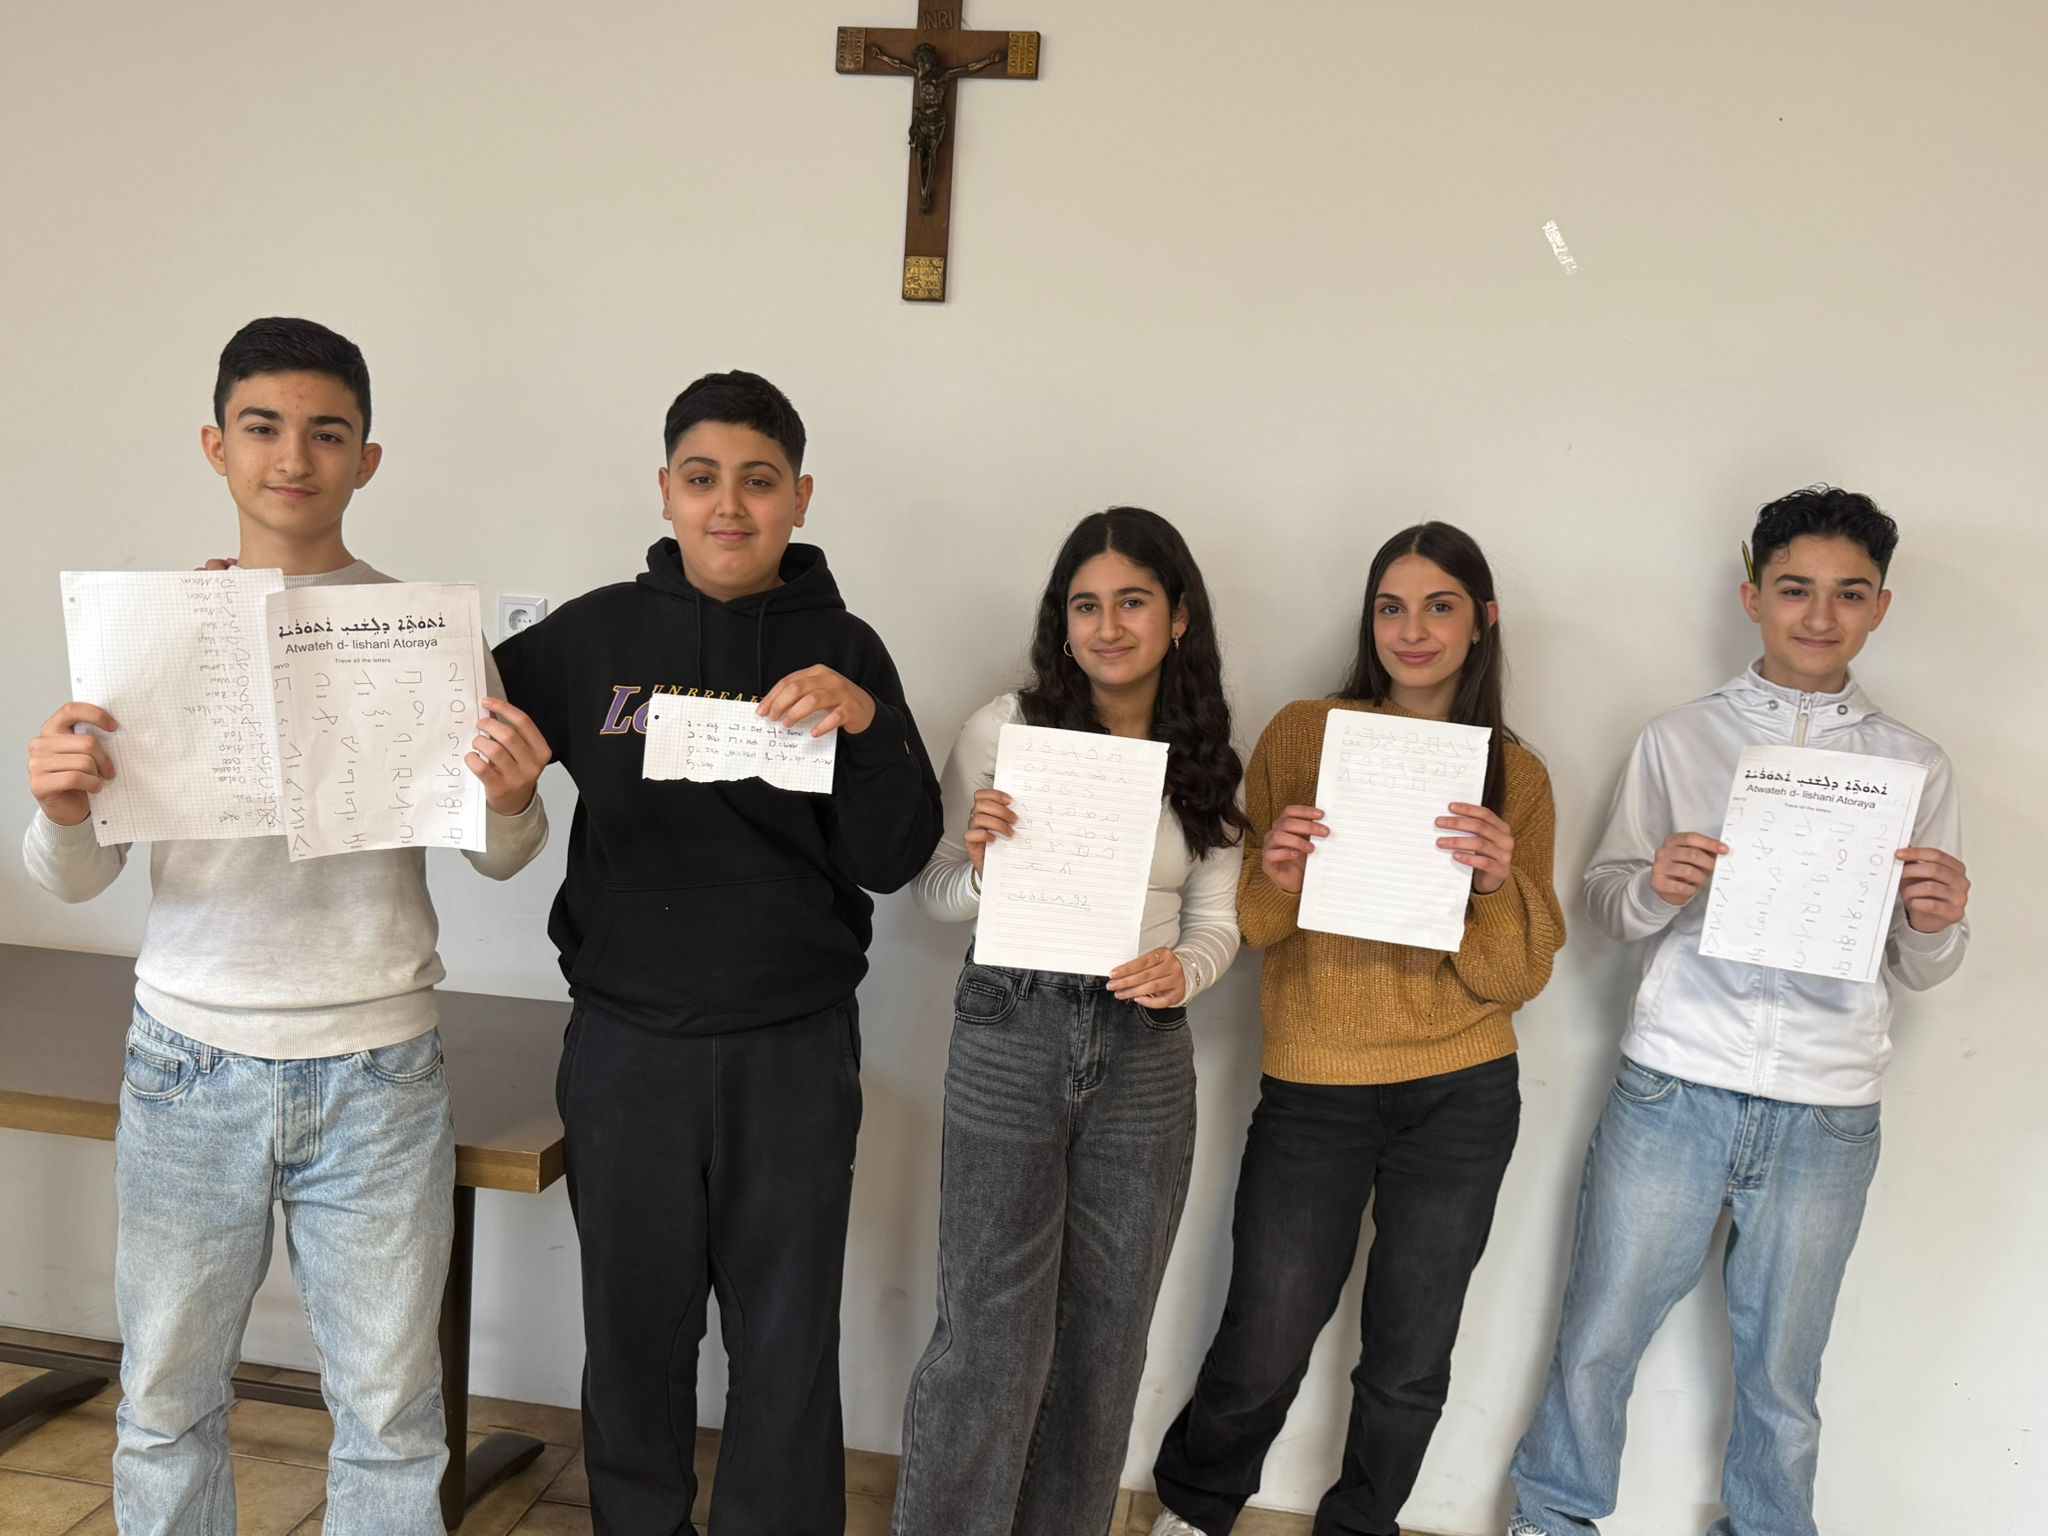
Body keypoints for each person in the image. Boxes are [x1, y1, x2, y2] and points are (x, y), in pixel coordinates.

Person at [23, 316, 552, 1535]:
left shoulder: (429, 633)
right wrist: (57, 808)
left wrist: (516, 797)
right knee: (165, 1403)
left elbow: (500, 851)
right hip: (186, 1063)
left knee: (391, 1415)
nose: (293, 457)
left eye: (327, 432)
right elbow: (76, 875)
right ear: (216, 447)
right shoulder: (149, 635)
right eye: (262, 427)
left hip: (378, 1070)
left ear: (368, 459)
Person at [491, 368, 943, 1536]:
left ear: (800, 497)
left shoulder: (844, 649)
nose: (728, 506)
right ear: (665, 491)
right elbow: (451, 728)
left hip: (790, 1052)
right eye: (701, 479)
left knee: (785, 1336)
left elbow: (894, 857)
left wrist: (865, 726)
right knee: (631, 1332)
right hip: (626, 1047)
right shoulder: (591, 635)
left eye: (757, 481)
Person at [1507, 486, 1971, 1536]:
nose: (1820, 614)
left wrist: (1937, 921)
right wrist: (1655, 885)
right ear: (1752, 595)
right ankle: (1551, 1518)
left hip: (1826, 1107)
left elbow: (1923, 964)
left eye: (1848, 593)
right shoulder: (1678, 739)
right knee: (1598, 1337)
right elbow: (1606, 905)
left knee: (1784, 1372)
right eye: (1795, 589)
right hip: (1675, 1083)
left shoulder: (1914, 766)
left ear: (1880, 607)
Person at [1149, 522, 1565, 1536]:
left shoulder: (1517, 777)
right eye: (1391, 607)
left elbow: (1513, 978)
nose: (1411, 630)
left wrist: (1495, 885)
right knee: (1265, 1335)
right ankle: (1193, 1507)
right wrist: (1279, 870)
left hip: (1461, 1092)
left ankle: (1362, 1525)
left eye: (1438, 607)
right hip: (1315, 1088)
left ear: (1482, 622)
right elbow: (1251, 925)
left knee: (1409, 1358)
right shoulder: (1303, 734)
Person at [892, 506, 1249, 1536]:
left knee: (1107, 1334)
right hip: (1012, 1025)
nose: (1107, 627)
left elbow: (1216, 922)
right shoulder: (1004, 729)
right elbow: (933, 893)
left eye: (1132, 602)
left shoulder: (1203, 751)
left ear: (1178, 616)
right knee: (987, 1331)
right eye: (1084, 606)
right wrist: (981, 866)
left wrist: (1184, 972)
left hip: (1144, 1048)